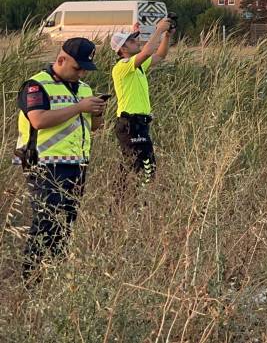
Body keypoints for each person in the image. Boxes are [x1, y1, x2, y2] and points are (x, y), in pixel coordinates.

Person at [14, 37, 106, 278]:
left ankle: (56, 274)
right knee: (46, 222)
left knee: (66, 224)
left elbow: (94, 126)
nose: (82, 73)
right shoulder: (36, 86)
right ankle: (30, 278)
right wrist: (79, 107)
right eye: (78, 68)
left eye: (86, 68)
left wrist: (96, 112)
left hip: (77, 165)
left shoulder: (83, 89)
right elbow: (39, 120)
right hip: (44, 165)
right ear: (61, 59)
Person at [110, 17, 172, 186]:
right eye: (131, 40)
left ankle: (125, 203)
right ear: (122, 48)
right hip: (130, 123)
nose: (136, 41)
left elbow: (160, 55)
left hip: (139, 124)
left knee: (138, 167)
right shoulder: (122, 66)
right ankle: (129, 203)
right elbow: (147, 52)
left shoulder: (137, 66)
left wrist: (166, 36)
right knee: (140, 168)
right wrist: (158, 30)